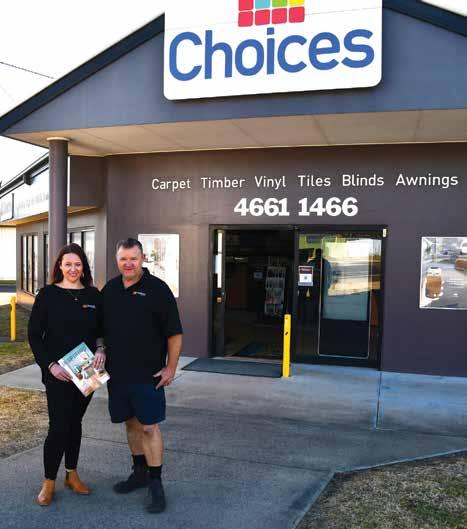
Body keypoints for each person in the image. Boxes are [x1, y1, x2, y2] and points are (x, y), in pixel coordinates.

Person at [101, 238, 183, 514]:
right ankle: (139, 473)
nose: (128, 264)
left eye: (133, 259)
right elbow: (99, 329)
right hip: (117, 376)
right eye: (123, 259)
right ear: (117, 260)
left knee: (149, 427)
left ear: (142, 259)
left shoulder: (158, 290)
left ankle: (156, 483)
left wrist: (171, 368)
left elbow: (174, 333)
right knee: (131, 424)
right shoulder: (110, 290)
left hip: (149, 376)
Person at [28, 243, 106, 506]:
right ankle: (49, 481)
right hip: (58, 371)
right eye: (68, 264)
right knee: (59, 425)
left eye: (78, 264)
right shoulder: (47, 295)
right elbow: (34, 335)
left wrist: (101, 348)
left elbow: (101, 330)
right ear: (60, 266)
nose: (73, 269)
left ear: (84, 267)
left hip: (87, 369)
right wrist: (50, 365)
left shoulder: (94, 295)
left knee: (75, 422)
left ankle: (71, 474)